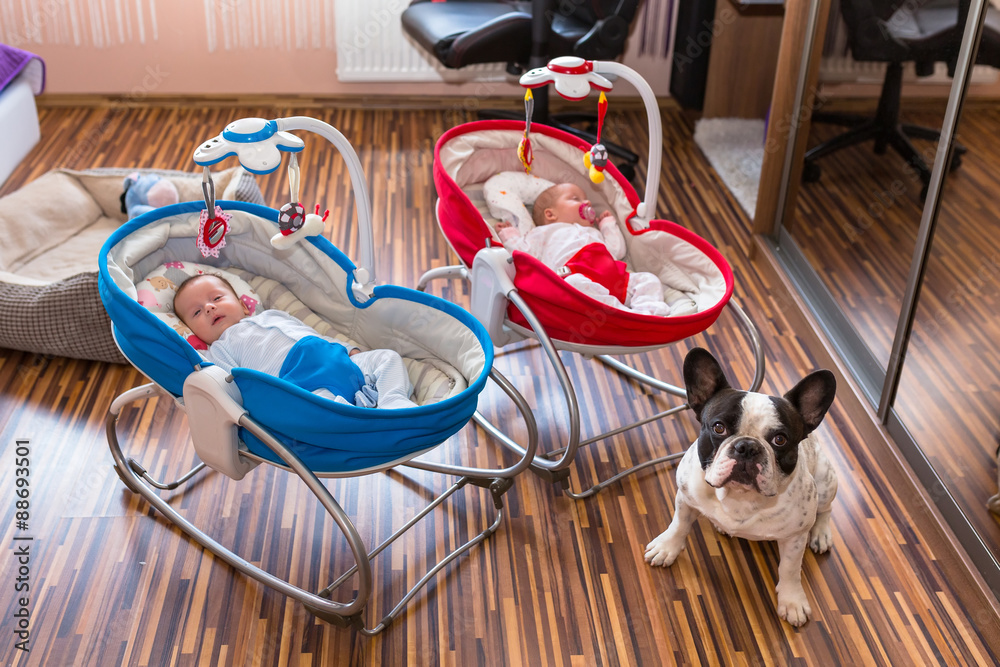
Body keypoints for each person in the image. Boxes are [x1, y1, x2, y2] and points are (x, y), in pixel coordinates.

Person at [172, 274, 417, 409]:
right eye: (196, 312)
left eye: (216, 297)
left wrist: (347, 349)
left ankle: (393, 400)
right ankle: (358, 419)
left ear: (242, 305)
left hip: (336, 358)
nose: (209, 307)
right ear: (194, 331)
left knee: (388, 358)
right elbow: (228, 385)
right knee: (321, 408)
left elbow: (308, 332)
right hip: (301, 382)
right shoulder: (220, 349)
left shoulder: (271, 314)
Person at [495, 182, 695, 317]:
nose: (587, 202)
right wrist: (510, 235)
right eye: (575, 199)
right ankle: (620, 314)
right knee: (575, 283)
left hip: (617, 280)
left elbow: (616, 250)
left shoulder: (594, 232)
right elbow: (522, 252)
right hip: (577, 276)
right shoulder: (543, 233)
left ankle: (647, 313)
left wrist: (608, 225)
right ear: (550, 214)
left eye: (585, 199)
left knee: (648, 280)